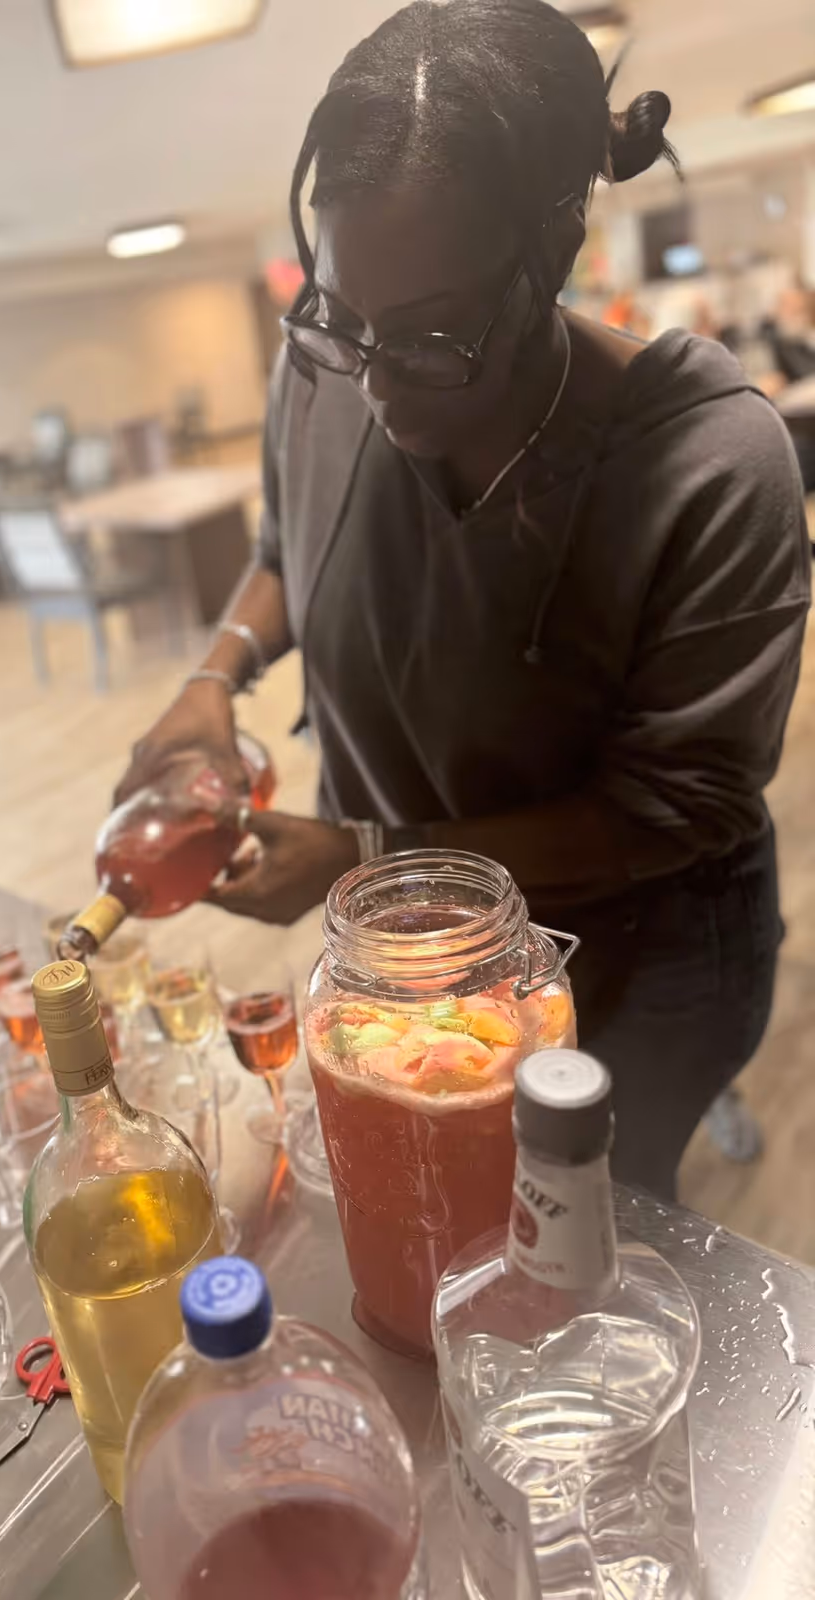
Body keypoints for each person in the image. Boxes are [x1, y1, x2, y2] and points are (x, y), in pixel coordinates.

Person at [116, 0, 810, 1199]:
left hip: (634, 954)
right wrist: (211, 675)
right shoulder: (321, 366)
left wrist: (371, 856)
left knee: (583, 1212)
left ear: (550, 260)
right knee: (437, 1199)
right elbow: (288, 542)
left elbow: (674, 809)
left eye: (436, 333)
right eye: (343, 314)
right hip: (406, 937)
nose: (377, 385)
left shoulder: (709, 462)